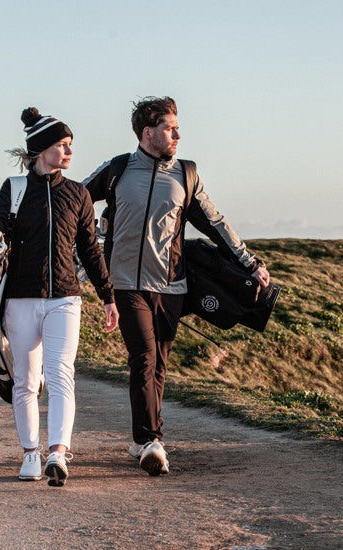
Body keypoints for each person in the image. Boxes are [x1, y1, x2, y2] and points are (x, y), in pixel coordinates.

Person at [83, 97, 271, 476]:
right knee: (144, 358)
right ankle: (153, 440)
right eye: (170, 128)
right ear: (147, 131)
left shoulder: (186, 174)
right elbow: (75, 200)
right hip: (124, 284)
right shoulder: (118, 170)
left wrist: (250, 262)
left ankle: (140, 439)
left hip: (171, 286)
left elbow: (215, 223)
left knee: (159, 366)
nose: (178, 134)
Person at [0, 108, 118, 487]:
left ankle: (57, 452)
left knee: (60, 374)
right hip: (20, 299)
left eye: (70, 145)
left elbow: (91, 249)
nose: (69, 152)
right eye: (61, 145)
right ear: (41, 149)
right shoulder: (15, 189)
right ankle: (29, 454)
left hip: (65, 299)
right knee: (25, 380)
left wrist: (107, 296)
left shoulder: (78, 194)